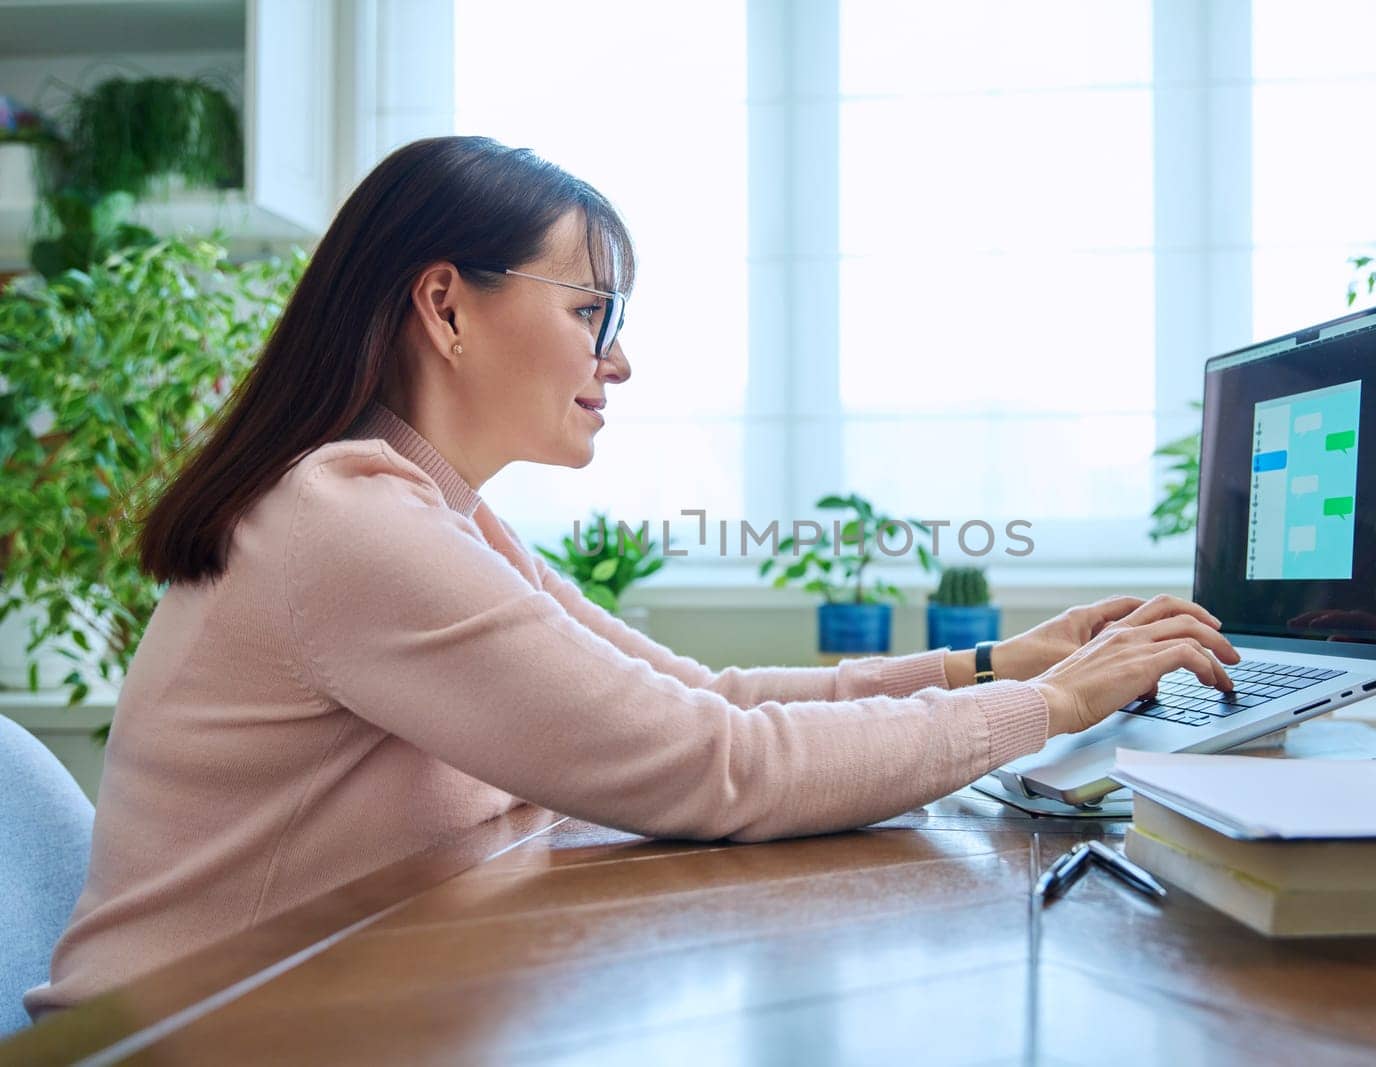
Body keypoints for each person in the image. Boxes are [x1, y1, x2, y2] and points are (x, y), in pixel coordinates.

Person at [23, 136, 1237, 1019]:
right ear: (445, 304)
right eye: (592, 311)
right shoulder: (345, 525)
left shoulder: (433, 513)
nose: (622, 358)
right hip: (188, 1036)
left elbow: (704, 698)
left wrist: (992, 664)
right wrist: (1053, 708)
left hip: (319, 999)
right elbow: (714, 764)